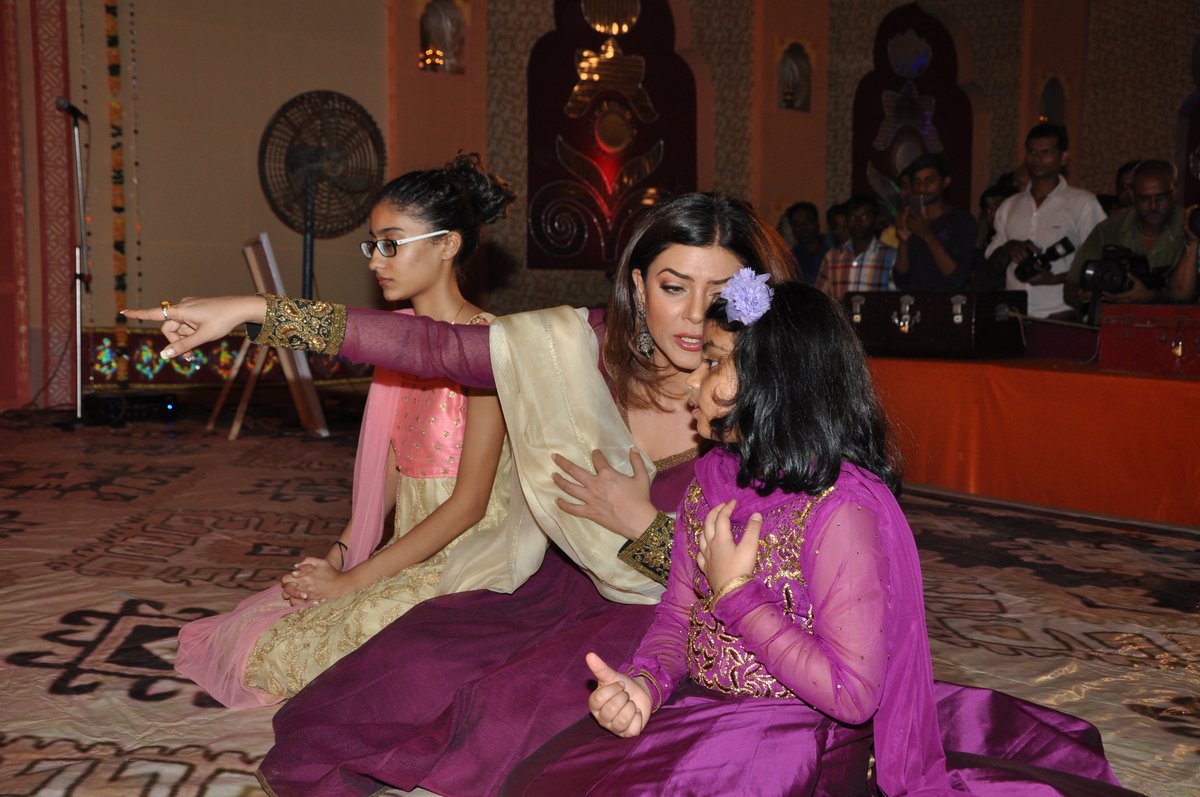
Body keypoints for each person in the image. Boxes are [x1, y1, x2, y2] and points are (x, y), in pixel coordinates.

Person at [126, 192, 800, 794]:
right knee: (401, 668)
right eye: (673, 285)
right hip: (555, 585)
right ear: (636, 282)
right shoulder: (580, 346)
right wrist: (255, 312)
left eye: (717, 291)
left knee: (517, 717)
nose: (692, 315)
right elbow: (434, 347)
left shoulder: (768, 397)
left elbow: (769, 581)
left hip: (662, 620)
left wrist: (637, 519)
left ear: (750, 295)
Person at [503, 279, 1139, 797]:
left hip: (796, 738)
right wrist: (644, 685)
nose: (693, 387)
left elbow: (853, 696)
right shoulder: (715, 481)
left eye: (715, 365)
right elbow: (675, 619)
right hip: (711, 708)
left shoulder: (839, 515)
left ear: (777, 386)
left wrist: (737, 596)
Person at [171, 154, 516, 708]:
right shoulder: (399, 338)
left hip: (472, 557)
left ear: (447, 244)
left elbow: (470, 504)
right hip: (409, 547)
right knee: (263, 641)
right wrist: (338, 556)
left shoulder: (489, 345)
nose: (377, 261)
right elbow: (394, 471)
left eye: (391, 243)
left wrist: (355, 583)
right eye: (372, 244)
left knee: (333, 657)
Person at [985, 123, 1105, 320]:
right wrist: (1010, 248)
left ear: (1063, 157)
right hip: (1014, 316)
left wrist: (1055, 279)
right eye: (1032, 151)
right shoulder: (1010, 205)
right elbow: (991, 267)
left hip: (1061, 316)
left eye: (1046, 152)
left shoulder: (1082, 203)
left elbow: (1100, 264)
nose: (1037, 159)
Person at [1065, 159, 1191, 310]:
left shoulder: (1191, 228)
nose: (1153, 206)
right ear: (1132, 195)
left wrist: (1152, 298)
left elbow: (1187, 297)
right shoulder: (1109, 230)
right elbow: (1070, 289)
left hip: (1173, 328)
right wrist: (1088, 294)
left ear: (1175, 190)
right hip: (1113, 325)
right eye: (1144, 198)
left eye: (1161, 197)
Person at [893, 153, 978, 291]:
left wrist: (927, 235)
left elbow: (958, 277)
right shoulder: (911, 220)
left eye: (930, 180)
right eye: (917, 182)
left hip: (950, 305)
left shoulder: (961, 220)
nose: (923, 187)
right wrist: (903, 241)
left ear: (945, 182)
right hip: (915, 304)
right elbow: (901, 280)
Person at [814, 194, 897, 300]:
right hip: (842, 316)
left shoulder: (890, 256)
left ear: (876, 220)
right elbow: (820, 297)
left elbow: (896, 299)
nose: (858, 222)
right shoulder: (832, 257)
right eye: (853, 217)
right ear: (847, 220)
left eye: (865, 217)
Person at [784, 200, 828, 284]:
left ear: (817, 223)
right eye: (797, 223)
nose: (803, 226)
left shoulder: (833, 251)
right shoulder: (790, 259)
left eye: (807, 220)